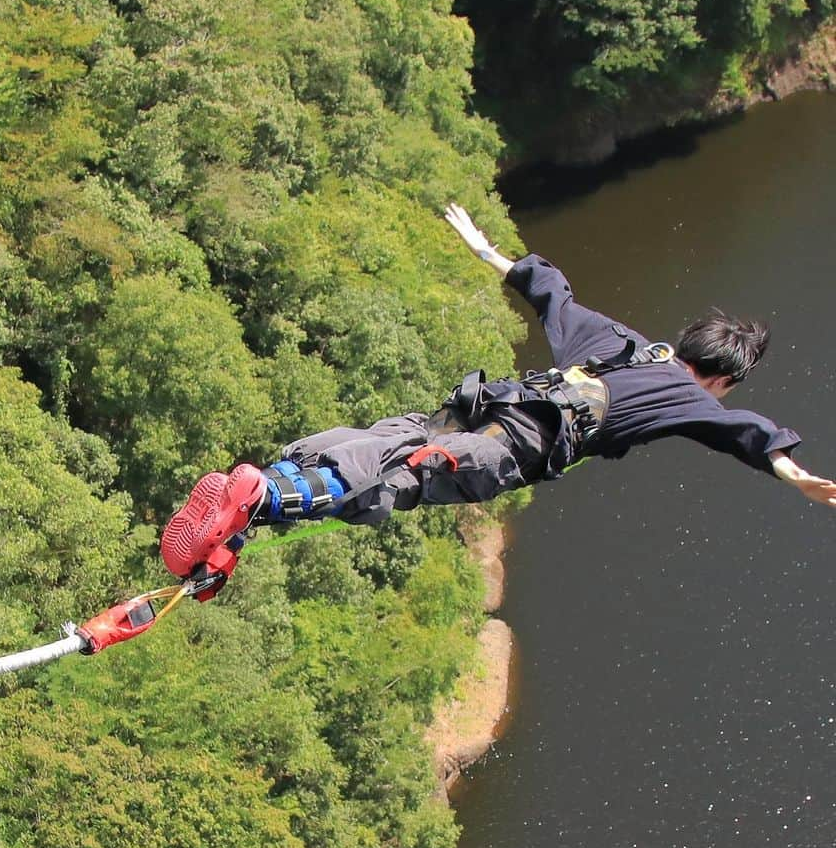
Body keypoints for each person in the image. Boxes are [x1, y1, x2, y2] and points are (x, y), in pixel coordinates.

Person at [160, 203, 836, 583]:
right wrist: (793, 471)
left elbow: (553, 293)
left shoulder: (623, 343)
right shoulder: (690, 398)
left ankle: (258, 493)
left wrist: (491, 253)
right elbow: (744, 429)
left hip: (482, 403)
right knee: (400, 479)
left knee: (376, 441)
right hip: (510, 444)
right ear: (717, 375)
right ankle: (264, 500)